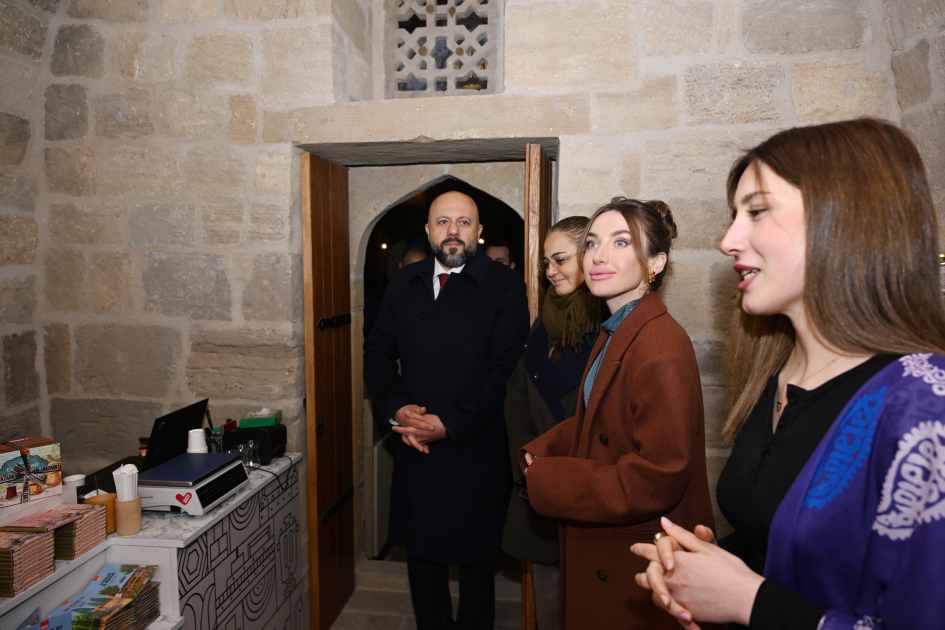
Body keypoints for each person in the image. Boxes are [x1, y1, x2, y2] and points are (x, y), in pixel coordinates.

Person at [633, 119, 945, 630]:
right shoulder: (775, 375)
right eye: (735, 216)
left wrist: (746, 599)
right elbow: (785, 548)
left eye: (756, 211)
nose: (728, 240)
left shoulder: (924, 404)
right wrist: (706, 570)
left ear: (847, 220)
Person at [520, 198, 717, 630]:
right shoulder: (619, 329)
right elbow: (601, 421)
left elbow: (658, 476)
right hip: (611, 542)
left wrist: (551, 479)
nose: (598, 256)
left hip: (636, 552)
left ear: (655, 263)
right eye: (591, 243)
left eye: (621, 242)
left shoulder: (658, 347)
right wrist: (543, 449)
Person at [364, 191, 529, 630]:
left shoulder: (506, 285)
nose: (452, 231)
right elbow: (377, 355)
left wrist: (450, 423)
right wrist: (399, 411)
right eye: (443, 222)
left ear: (478, 231)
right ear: (428, 230)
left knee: (477, 564)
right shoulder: (404, 282)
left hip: (475, 447)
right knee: (422, 559)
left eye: (463, 222)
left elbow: (504, 371)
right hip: (416, 445)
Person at [502, 216, 604, 630]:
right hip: (540, 487)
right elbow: (518, 395)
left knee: (592, 608)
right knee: (548, 605)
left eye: (559, 259)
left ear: (587, 257)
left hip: (589, 492)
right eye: (545, 262)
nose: (549, 271)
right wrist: (529, 465)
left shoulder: (609, 324)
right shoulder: (544, 322)